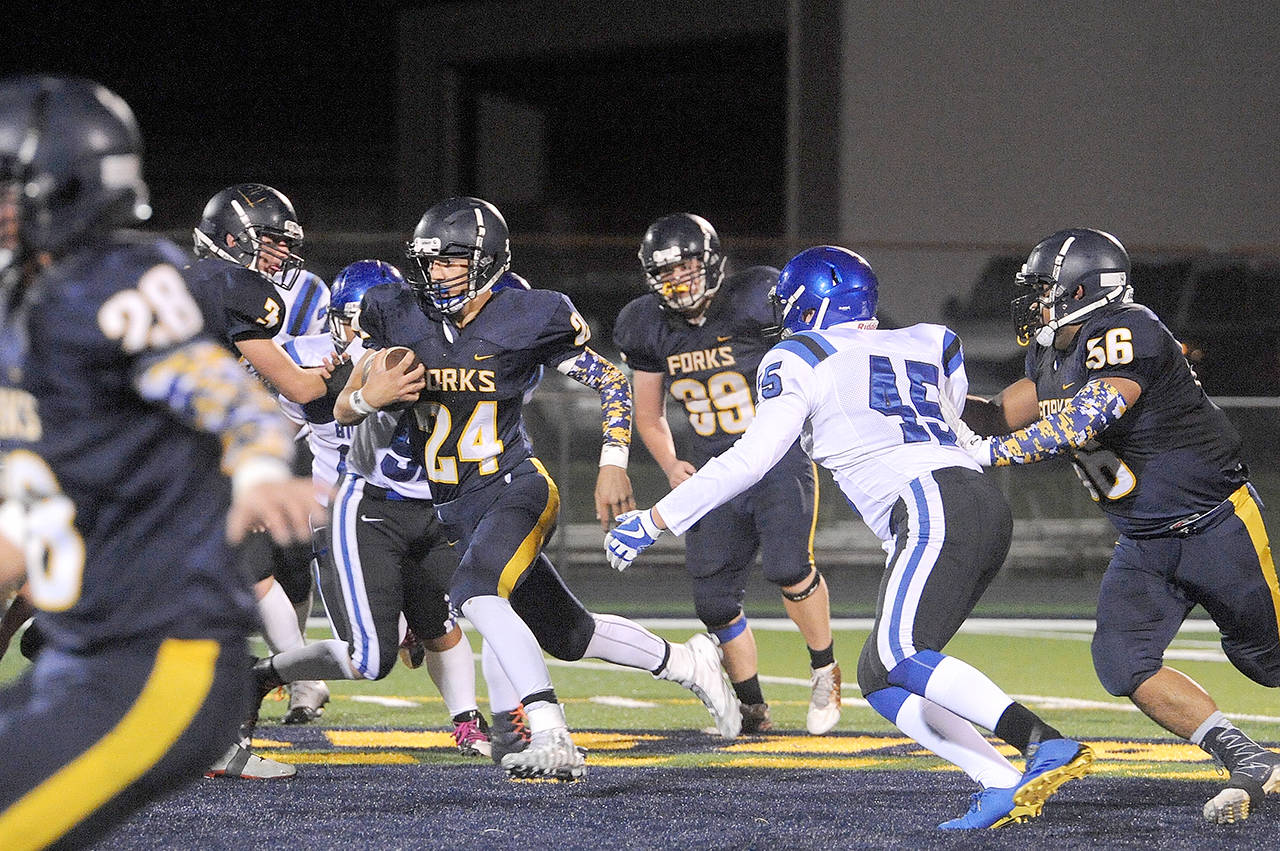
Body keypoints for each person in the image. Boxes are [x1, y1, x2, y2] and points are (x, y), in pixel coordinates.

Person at [607, 245, 1093, 829]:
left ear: (809, 303)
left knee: (899, 653)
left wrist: (658, 519)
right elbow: (955, 419)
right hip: (974, 501)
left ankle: (1040, 741)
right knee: (879, 677)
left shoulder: (798, 355)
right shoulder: (930, 340)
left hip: (929, 502)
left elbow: (749, 460)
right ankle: (998, 782)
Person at [0, 75, 316, 848]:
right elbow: (27, 519)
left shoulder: (121, 278)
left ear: (68, 183)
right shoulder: (23, 301)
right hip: (80, 654)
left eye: (8, 187)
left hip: (158, 657)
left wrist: (259, 469)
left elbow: (229, 398)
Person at [334, 196, 741, 781]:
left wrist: (612, 462)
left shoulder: (530, 314)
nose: (438, 273)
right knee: (568, 633)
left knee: (475, 591)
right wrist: (365, 399)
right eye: (431, 261)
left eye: (452, 260)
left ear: (488, 260)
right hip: (456, 507)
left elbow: (612, 384)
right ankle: (688, 662)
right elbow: (344, 407)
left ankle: (551, 735)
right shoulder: (394, 312)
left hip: (516, 487)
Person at [950, 227, 1280, 825]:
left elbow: (1085, 417)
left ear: (1086, 289)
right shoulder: (1053, 353)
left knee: (1268, 660)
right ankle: (1246, 755)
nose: (1036, 301)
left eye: (1046, 289)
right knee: (1123, 662)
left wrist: (986, 455)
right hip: (1145, 542)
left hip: (1215, 526)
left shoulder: (1129, 329)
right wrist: (930, 404)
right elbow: (1000, 412)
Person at [614, 213, 840, 735]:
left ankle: (825, 669)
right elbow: (648, 413)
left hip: (775, 457)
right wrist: (671, 464)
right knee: (713, 600)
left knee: (788, 567)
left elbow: (818, 361)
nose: (679, 280)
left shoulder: (759, 297)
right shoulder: (645, 324)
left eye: (688, 266)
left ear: (712, 261)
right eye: (666, 272)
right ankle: (752, 705)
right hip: (712, 471)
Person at [258, 258, 492, 756]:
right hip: (342, 510)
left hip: (419, 502)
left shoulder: (419, 351)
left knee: (439, 623)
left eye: (370, 320)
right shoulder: (305, 358)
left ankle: (467, 720)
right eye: (349, 320)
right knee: (371, 652)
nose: (358, 331)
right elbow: (268, 425)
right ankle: (274, 676)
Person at [187, 182, 338, 734]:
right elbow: (297, 387)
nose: (278, 255)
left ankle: (279, 684)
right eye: (269, 242)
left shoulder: (173, 283)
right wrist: (342, 381)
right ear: (231, 239)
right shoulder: (237, 288)